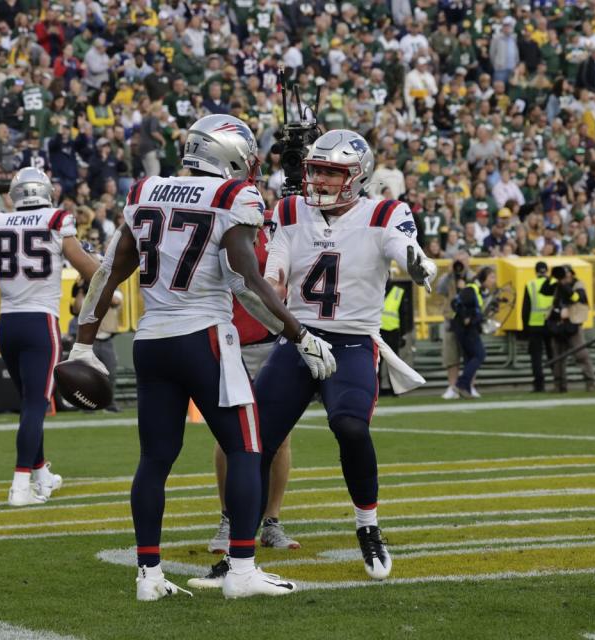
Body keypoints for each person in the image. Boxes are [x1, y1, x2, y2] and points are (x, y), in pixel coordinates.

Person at [70, 114, 335, 600]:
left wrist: (83, 341)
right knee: (247, 449)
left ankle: (148, 577)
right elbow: (247, 284)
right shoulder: (232, 197)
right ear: (229, 154)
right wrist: (301, 335)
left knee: (154, 459)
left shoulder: (145, 189)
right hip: (205, 339)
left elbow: (108, 271)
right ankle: (241, 569)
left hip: (152, 342)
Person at [204, 129, 434, 584]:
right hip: (300, 337)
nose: (322, 181)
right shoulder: (291, 210)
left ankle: (368, 526)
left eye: (333, 172)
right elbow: (275, 270)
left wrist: (417, 261)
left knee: (349, 425)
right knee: (255, 442)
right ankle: (239, 552)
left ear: (357, 176)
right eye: (317, 170)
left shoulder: (386, 211)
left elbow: (403, 249)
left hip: (351, 341)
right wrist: (273, 287)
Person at [0, 167, 99, 506]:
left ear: (15, 194)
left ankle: (40, 473)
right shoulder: (56, 220)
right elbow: (91, 271)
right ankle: (21, 485)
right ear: (45, 193)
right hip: (40, 323)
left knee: (29, 404)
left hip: (7, 325)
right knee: (37, 404)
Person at [207, 210, 300, 554]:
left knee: (279, 435)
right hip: (230, 339)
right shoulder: (220, 220)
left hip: (272, 340)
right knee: (228, 435)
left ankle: (272, 520)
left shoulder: (275, 227)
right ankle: (229, 518)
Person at [69, 278, 123, 412]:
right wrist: (82, 289)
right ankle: (88, 406)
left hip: (106, 339)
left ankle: (109, 403)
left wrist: (97, 289)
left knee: (110, 373)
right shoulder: (85, 292)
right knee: (87, 375)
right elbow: (77, 307)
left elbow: (115, 300)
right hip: (89, 342)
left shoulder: (113, 288)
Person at [436, 250, 475, 399]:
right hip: (451, 319)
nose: (460, 264)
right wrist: (450, 273)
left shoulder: (472, 276)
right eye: (457, 260)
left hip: (468, 320)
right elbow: (440, 290)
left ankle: (469, 386)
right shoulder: (447, 277)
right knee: (451, 355)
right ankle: (452, 387)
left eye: (463, 260)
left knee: (470, 355)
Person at [453, 266, 496, 398]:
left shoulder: (479, 291)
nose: (494, 280)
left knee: (469, 358)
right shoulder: (471, 289)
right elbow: (455, 302)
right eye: (492, 277)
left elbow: (477, 311)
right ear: (484, 278)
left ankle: (465, 389)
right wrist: (466, 317)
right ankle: (461, 384)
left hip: (469, 328)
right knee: (480, 354)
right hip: (465, 328)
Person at [522, 261, 554, 392]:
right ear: (546, 270)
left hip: (534, 325)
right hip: (551, 325)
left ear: (535, 271)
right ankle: (559, 381)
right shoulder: (553, 284)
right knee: (553, 354)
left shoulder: (531, 285)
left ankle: (539, 385)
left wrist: (525, 329)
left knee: (536, 357)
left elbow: (525, 309)